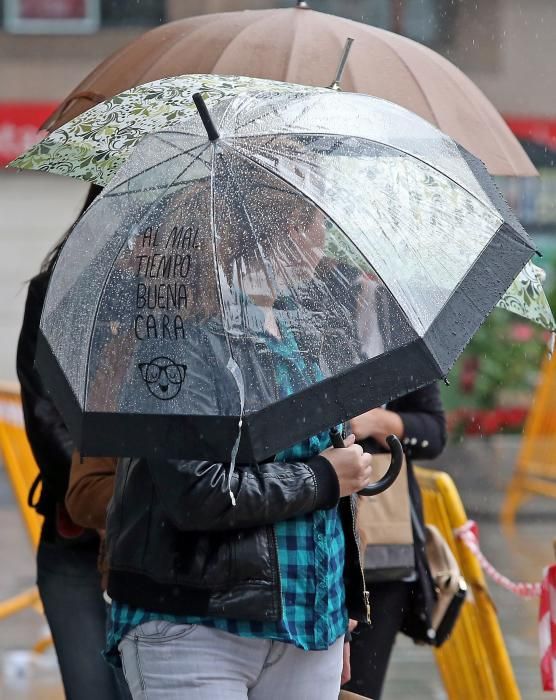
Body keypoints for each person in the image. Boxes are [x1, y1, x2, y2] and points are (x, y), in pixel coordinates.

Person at [16, 184, 126, 700]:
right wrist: (101, 503)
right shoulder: (57, 291)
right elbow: (43, 411)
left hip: (164, 545)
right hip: (78, 534)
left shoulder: (194, 302)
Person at [343, 383, 447, 700]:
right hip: (308, 536)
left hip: (382, 554)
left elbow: (433, 433)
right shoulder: (300, 338)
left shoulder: (398, 339)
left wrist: (376, 422)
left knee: (360, 687)